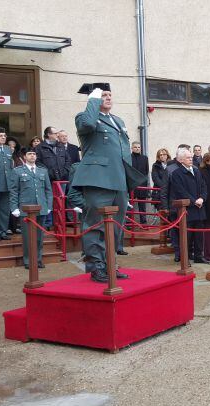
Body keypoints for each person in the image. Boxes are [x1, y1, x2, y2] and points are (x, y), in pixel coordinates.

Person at [73, 86, 132, 282]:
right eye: (102, 96)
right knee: (96, 224)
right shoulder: (85, 117)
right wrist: (93, 100)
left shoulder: (118, 120)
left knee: (116, 226)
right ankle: (95, 266)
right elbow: (88, 125)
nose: (106, 98)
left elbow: (124, 152)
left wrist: (128, 180)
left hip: (119, 180)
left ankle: (109, 265)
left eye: (108, 95)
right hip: (98, 179)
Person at [8, 147, 52, 269]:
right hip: (25, 209)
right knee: (27, 237)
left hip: (41, 208)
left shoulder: (43, 171)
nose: (32, 156)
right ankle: (28, 260)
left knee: (39, 236)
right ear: (24, 157)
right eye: (29, 154)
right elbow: (13, 191)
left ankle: (38, 259)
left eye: (34, 154)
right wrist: (14, 207)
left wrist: (49, 205)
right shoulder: (17, 171)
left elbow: (48, 190)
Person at [169, 149, 207, 263]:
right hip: (187, 209)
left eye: (191, 157)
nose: (191, 159)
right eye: (188, 158)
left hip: (199, 208)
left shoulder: (197, 171)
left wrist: (202, 198)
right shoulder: (176, 174)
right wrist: (194, 201)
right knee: (187, 236)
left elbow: (203, 186)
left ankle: (199, 256)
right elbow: (180, 191)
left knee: (199, 235)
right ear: (181, 160)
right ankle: (185, 258)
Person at [129, 141, 150, 224]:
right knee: (130, 205)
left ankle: (143, 222)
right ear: (132, 148)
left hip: (142, 185)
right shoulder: (128, 157)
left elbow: (146, 171)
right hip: (131, 185)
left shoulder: (145, 158)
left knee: (142, 205)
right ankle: (129, 223)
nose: (137, 149)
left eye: (138, 147)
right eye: (135, 147)